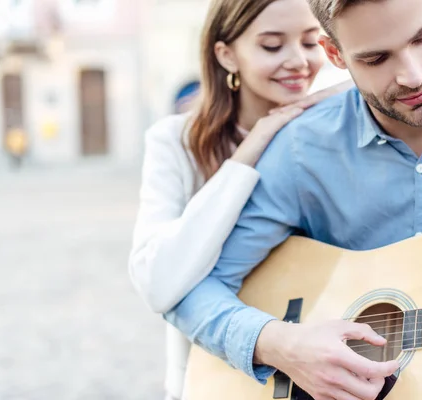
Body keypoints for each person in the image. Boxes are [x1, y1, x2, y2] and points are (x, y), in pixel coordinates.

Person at [162, 0, 422, 399]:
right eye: (376, 59)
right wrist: (283, 345)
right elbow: (193, 292)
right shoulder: (302, 149)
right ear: (334, 53)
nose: (411, 75)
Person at [127, 0, 353, 399]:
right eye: (271, 46)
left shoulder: (333, 130)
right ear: (226, 54)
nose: (298, 61)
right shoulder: (175, 143)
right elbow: (157, 281)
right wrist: (253, 147)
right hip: (210, 377)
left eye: (309, 42)